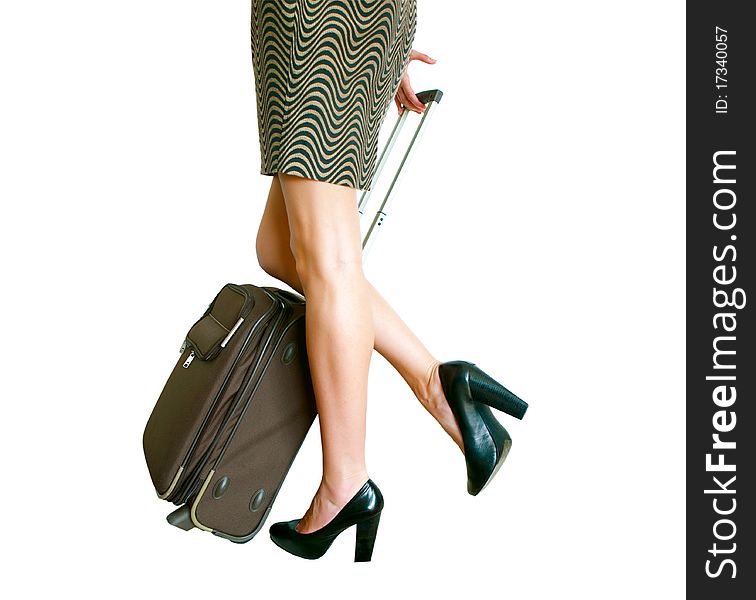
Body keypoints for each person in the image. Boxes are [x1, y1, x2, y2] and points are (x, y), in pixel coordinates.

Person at [250, 0, 528, 562]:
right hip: (358, 21)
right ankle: (441, 384)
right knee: (282, 249)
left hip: (319, 22)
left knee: (328, 259)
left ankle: (345, 482)